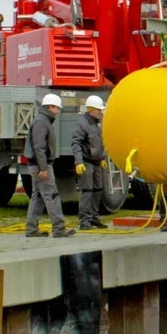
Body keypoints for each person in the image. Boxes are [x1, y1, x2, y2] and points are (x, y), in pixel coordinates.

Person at [25, 93, 74, 238]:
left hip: (37, 165)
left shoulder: (43, 121)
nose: (58, 111)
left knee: (38, 197)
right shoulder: (42, 123)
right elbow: (39, 147)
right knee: (51, 196)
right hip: (42, 165)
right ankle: (59, 229)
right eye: (57, 108)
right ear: (50, 107)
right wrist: (43, 168)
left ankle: (31, 229)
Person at [72, 94, 108, 230]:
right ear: (91, 109)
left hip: (97, 162)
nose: (101, 112)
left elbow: (102, 142)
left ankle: (94, 218)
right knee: (87, 191)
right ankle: (85, 221)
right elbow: (76, 143)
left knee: (98, 189)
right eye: (99, 110)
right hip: (86, 162)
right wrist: (79, 162)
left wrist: (102, 158)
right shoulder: (82, 124)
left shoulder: (98, 123)